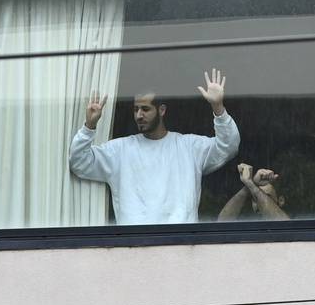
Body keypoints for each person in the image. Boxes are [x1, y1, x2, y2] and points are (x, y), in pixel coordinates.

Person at [69, 70, 240, 225]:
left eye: (145, 109)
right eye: (135, 109)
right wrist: (89, 126)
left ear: (162, 110)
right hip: (134, 247)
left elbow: (228, 146)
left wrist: (218, 108)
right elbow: (79, 162)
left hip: (180, 246)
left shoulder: (189, 147)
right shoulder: (120, 150)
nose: (139, 115)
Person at [216, 163, 290, 221]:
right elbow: (221, 222)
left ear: (281, 200)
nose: (258, 204)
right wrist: (249, 184)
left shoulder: (290, 226)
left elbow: (285, 226)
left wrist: (252, 185)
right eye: (255, 198)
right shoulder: (248, 224)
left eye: (267, 197)